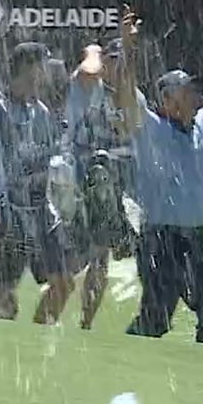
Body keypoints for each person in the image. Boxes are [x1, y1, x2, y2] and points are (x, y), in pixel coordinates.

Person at [111, 7, 203, 346]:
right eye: (186, 92)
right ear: (168, 100)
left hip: (195, 238)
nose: (193, 97)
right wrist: (128, 50)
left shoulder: (200, 124)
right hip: (160, 239)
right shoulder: (149, 127)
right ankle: (128, 363)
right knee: (156, 317)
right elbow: (125, 91)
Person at [0, 42, 74, 322]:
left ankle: (37, 342)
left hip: (40, 211)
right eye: (43, 67)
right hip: (6, 212)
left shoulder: (42, 112)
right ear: (29, 69)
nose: (47, 75)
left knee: (63, 283)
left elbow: (51, 159)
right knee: (0, 294)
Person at [61, 40, 135, 329]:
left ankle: (85, 325)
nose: (119, 68)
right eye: (115, 60)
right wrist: (96, 51)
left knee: (101, 257)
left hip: (104, 185)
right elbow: (89, 67)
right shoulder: (85, 86)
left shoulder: (120, 96)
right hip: (75, 181)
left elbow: (128, 133)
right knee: (74, 259)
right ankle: (49, 313)